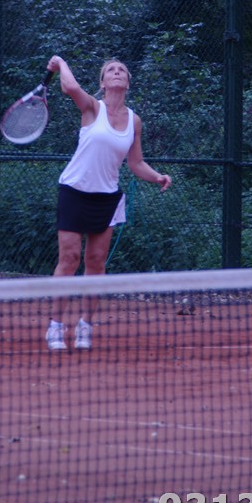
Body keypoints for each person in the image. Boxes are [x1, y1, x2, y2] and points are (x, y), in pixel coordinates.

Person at [44, 55, 172, 351]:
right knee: (69, 259)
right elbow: (70, 87)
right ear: (102, 83)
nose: (117, 72)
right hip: (74, 191)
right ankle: (56, 326)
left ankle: (85, 326)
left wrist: (157, 177)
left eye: (122, 70)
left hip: (107, 198)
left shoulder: (134, 121)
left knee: (96, 263)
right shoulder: (92, 107)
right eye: (111, 70)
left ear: (128, 82)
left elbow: (136, 163)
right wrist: (61, 63)